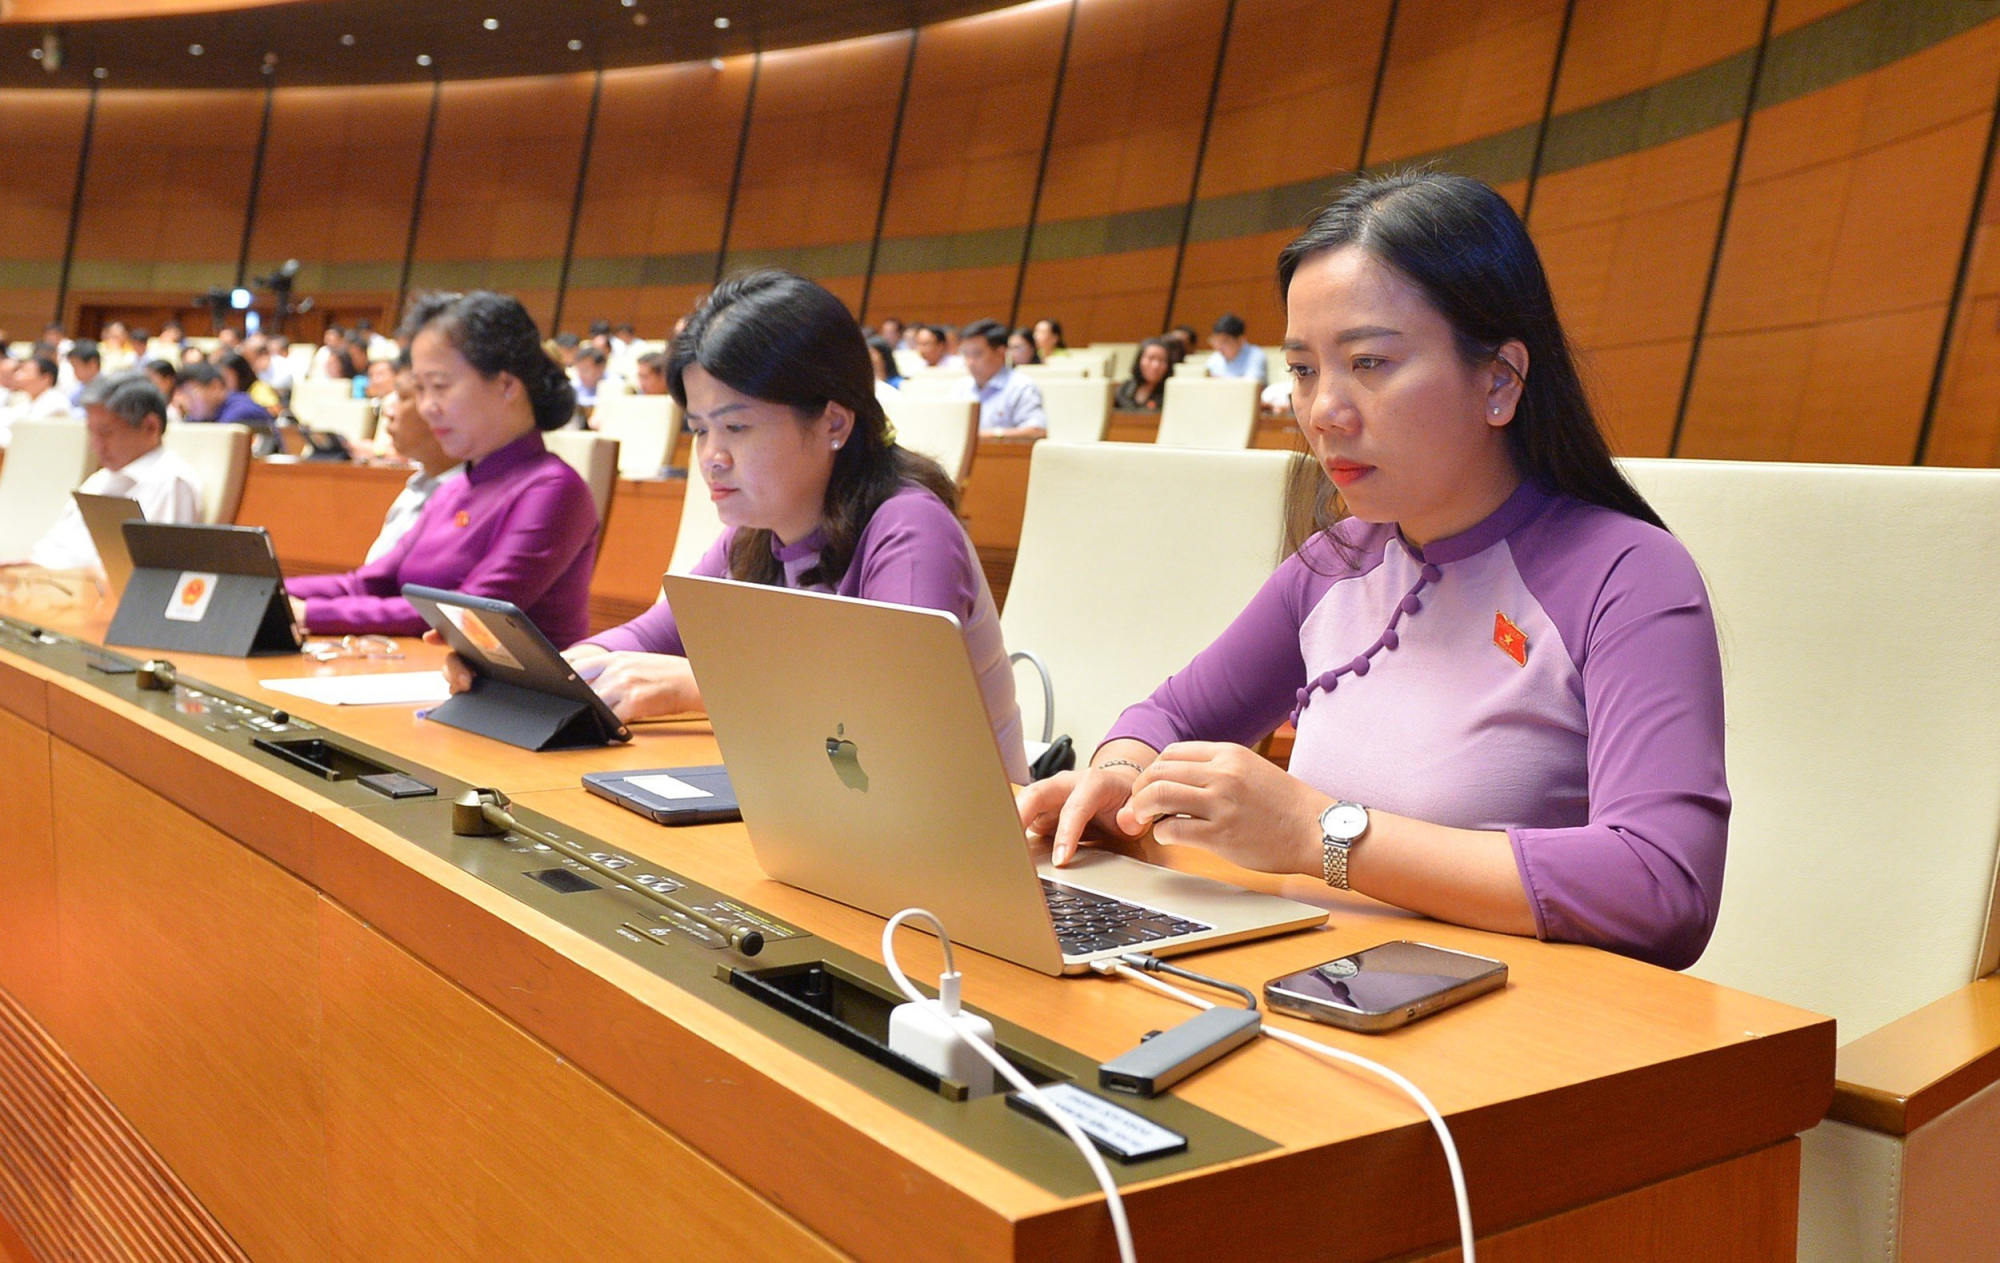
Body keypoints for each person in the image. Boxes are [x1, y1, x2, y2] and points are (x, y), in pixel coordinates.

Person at [1017, 172, 1729, 971]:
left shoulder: (1628, 575)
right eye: (1304, 369)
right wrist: (1118, 776)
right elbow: (1171, 715)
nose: (1325, 410)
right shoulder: (1334, 564)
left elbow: (1662, 884)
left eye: (1369, 362)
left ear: (1499, 381)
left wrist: (1319, 833)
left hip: (1513, 1028)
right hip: (1319, 998)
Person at [446, 269, 1027, 780]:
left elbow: (894, 715)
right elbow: (646, 640)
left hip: (951, 839)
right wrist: (520, 671)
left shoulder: (908, 525)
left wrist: (701, 686)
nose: (712, 456)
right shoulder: (752, 537)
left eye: (737, 428)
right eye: (700, 429)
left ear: (834, 423)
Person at [285, 291, 597, 641]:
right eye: (419, 389)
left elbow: (467, 612)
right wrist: (272, 590)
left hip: (518, 695)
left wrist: (312, 613)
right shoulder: (452, 488)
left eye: (440, 386)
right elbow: (368, 584)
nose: (427, 406)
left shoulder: (552, 488)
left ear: (506, 385)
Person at [13, 373, 202, 574]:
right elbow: (48, 548)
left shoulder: (171, 481)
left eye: (105, 433)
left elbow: (153, 575)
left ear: (150, 427)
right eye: (91, 433)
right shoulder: (100, 479)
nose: (96, 445)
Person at [363, 356, 464, 563]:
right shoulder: (418, 485)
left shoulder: (470, 499)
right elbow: (369, 581)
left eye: (402, 396)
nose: (389, 411)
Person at [951, 319, 1046, 437]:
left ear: (1001, 352)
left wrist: (990, 435)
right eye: (966, 354)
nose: (970, 362)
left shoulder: (1021, 386)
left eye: (977, 354)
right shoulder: (961, 387)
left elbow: (1036, 431)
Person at [179, 360, 274, 428]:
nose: (187, 401)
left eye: (192, 393)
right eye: (184, 395)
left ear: (215, 387)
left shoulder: (241, 413)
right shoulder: (199, 416)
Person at [1113, 337, 1176, 412]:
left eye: (1162, 360)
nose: (1155, 365)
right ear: (1140, 360)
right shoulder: (1124, 388)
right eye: (1151, 358)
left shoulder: (1171, 394)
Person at [1205, 312, 1268, 383]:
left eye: (1225, 342)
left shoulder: (1256, 356)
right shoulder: (1214, 359)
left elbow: (1251, 386)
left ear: (1240, 340)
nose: (1219, 347)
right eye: (1217, 341)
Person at [64, 340, 101, 406]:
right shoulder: (79, 387)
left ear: (92, 365)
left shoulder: (108, 389)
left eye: (76, 366)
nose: (74, 371)